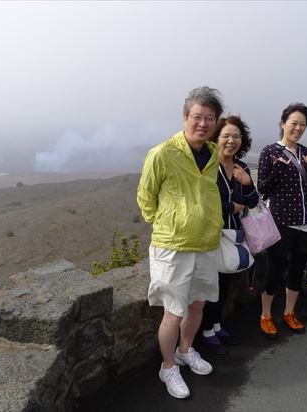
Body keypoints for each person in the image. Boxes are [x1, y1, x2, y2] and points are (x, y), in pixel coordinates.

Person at [137, 86, 224, 399]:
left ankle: (187, 350)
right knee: (173, 312)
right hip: (172, 245)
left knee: (197, 303)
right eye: (197, 117)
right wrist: (167, 222)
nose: (203, 123)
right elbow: (145, 196)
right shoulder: (162, 153)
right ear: (186, 117)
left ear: (215, 123)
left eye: (209, 119)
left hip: (206, 242)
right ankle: (168, 366)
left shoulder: (212, 153)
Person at [257, 102, 307, 338]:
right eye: (293, 123)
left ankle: (289, 312)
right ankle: (265, 315)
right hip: (282, 221)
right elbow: (262, 188)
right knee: (274, 271)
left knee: (297, 270)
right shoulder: (270, 151)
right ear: (283, 123)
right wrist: (277, 170)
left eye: (303, 124)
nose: (298, 128)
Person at [200, 115, 259, 355]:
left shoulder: (242, 167)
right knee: (212, 286)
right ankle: (206, 331)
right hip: (212, 235)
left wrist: (247, 183)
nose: (231, 141)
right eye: (226, 136)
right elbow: (203, 202)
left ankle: (216, 326)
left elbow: (253, 202)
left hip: (234, 235)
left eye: (236, 136)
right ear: (216, 138)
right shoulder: (207, 167)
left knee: (226, 283)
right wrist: (230, 207)